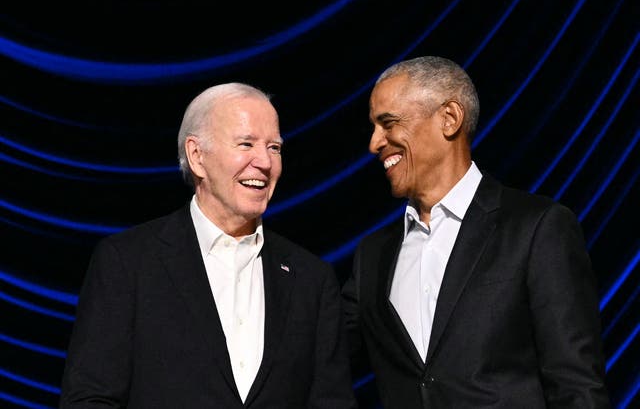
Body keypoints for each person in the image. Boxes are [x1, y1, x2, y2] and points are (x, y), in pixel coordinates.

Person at [60, 82, 357, 409]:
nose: (265, 162)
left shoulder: (312, 280)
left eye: (274, 147)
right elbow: (89, 399)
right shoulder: (127, 263)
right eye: (246, 144)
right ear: (197, 155)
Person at [341, 56, 610, 408]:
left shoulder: (536, 228)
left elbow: (577, 386)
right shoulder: (372, 257)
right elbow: (315, 355)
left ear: (449, 118)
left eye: (388, 123)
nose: (375, 143)